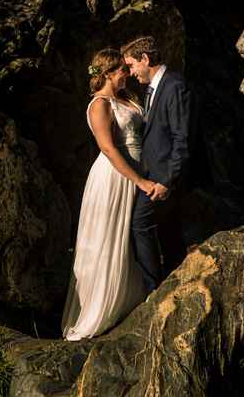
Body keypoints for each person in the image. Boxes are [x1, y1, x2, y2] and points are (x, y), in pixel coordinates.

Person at [61, 48, 156, 341]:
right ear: (107, 73)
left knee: (131, 235)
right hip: (115, 175)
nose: (126, 75)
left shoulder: (126, 99)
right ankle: (100, 307)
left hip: (139, 168)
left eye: (126, 71)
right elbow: (108, 148)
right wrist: (138, 179)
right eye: (121, 71)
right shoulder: (99, 105)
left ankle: (132, 294)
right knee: (108, 236)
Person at [122, 36, 191, 295]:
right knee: (168, 229)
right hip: (153, 174)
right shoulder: (152, 89)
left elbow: (182, 139)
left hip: (164, 177)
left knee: (140, 224)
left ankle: (154, 288)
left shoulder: (174, 86)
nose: (130, 73)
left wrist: (167, 181)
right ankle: (176, 283)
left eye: (131, 66)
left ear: (145, 59)